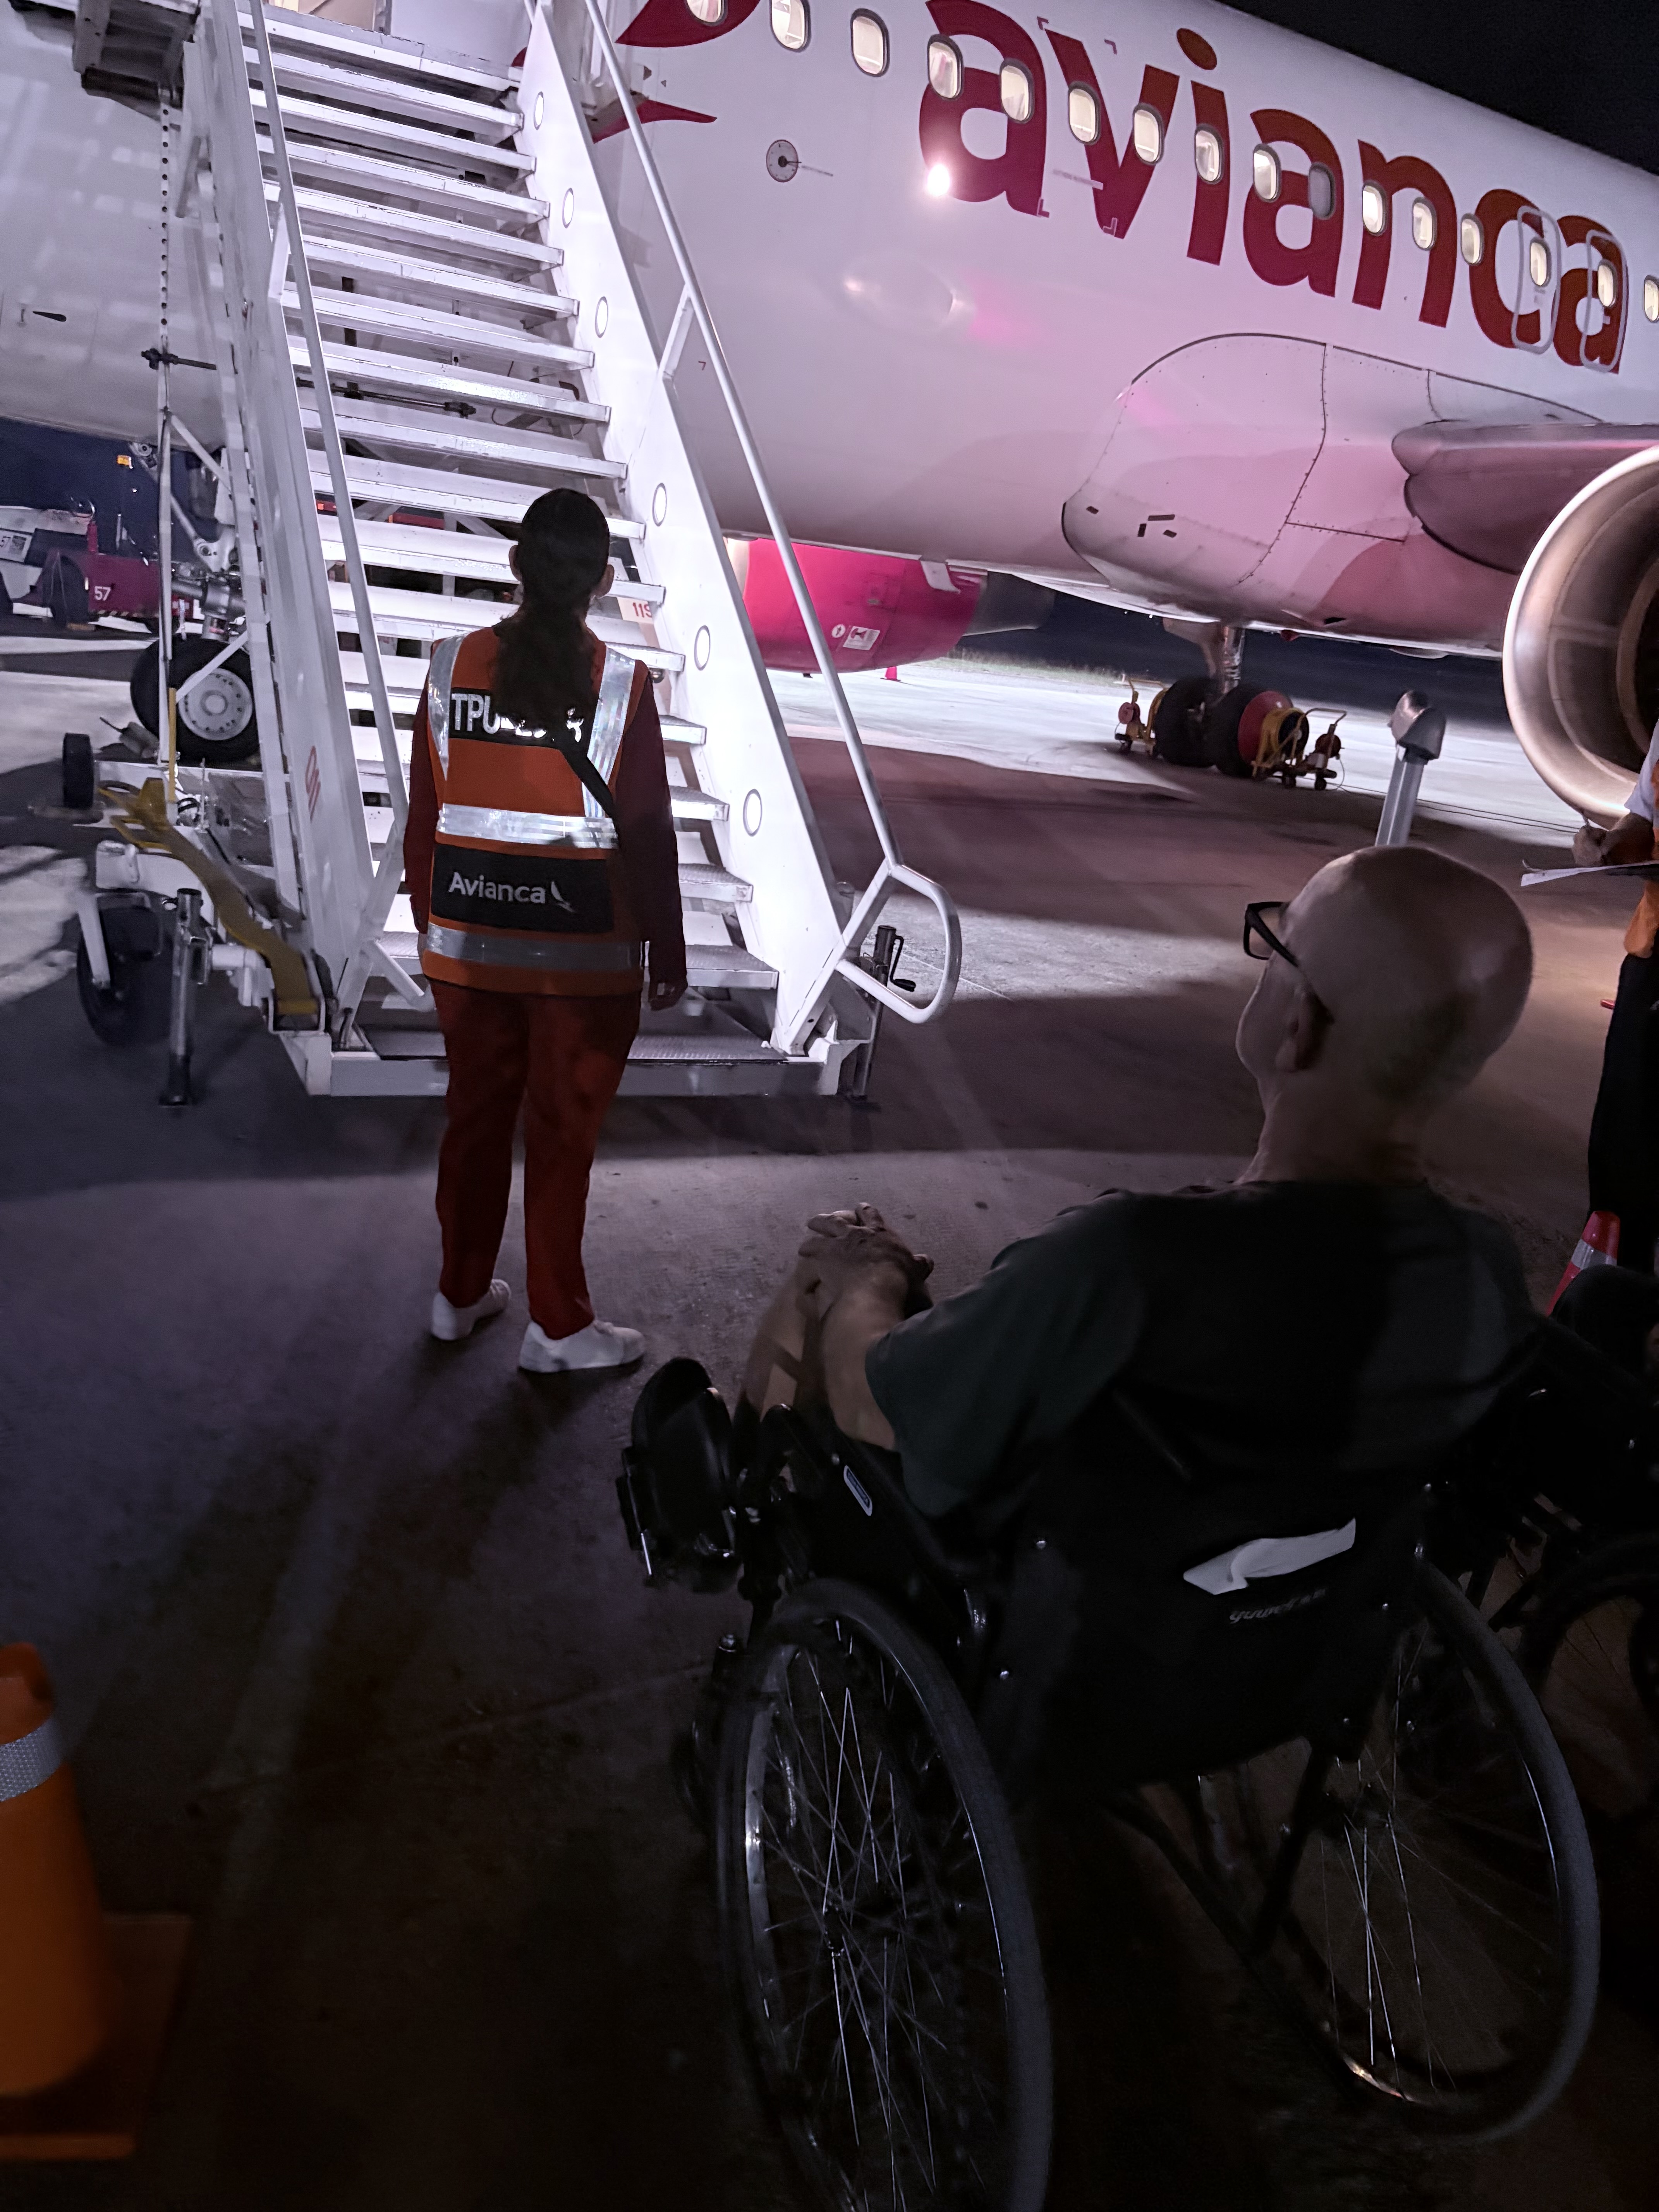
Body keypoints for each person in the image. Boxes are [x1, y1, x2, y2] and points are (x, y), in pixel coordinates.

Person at [739, 846, 1538, 1512]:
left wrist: (870, 1275)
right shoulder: (1484, 1275)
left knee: (830, 1276)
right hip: (1294, 1619)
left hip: (1050, 1611)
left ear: (1297, 1028)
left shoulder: (1131, 1261)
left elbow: (874, 1402)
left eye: (1279, 941)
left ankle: (732, 1506)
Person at [403, 488, 685, 1373]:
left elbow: (426, 814)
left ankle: (457, 1297)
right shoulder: (621, 684)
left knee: (474, 1123)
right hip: (582, 961)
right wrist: (669, 949)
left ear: (515, 565)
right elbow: (647, 830)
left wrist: (433, 924)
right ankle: (558, 1328)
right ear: (602, 582)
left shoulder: (449, 666)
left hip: (468, 945)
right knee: (561, 1138)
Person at [1570, 727, 1659, 1275]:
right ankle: (1614, 1296)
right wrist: (1608, 848)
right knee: (1622, 1145)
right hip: (1654, 953)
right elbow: (1644, 819)